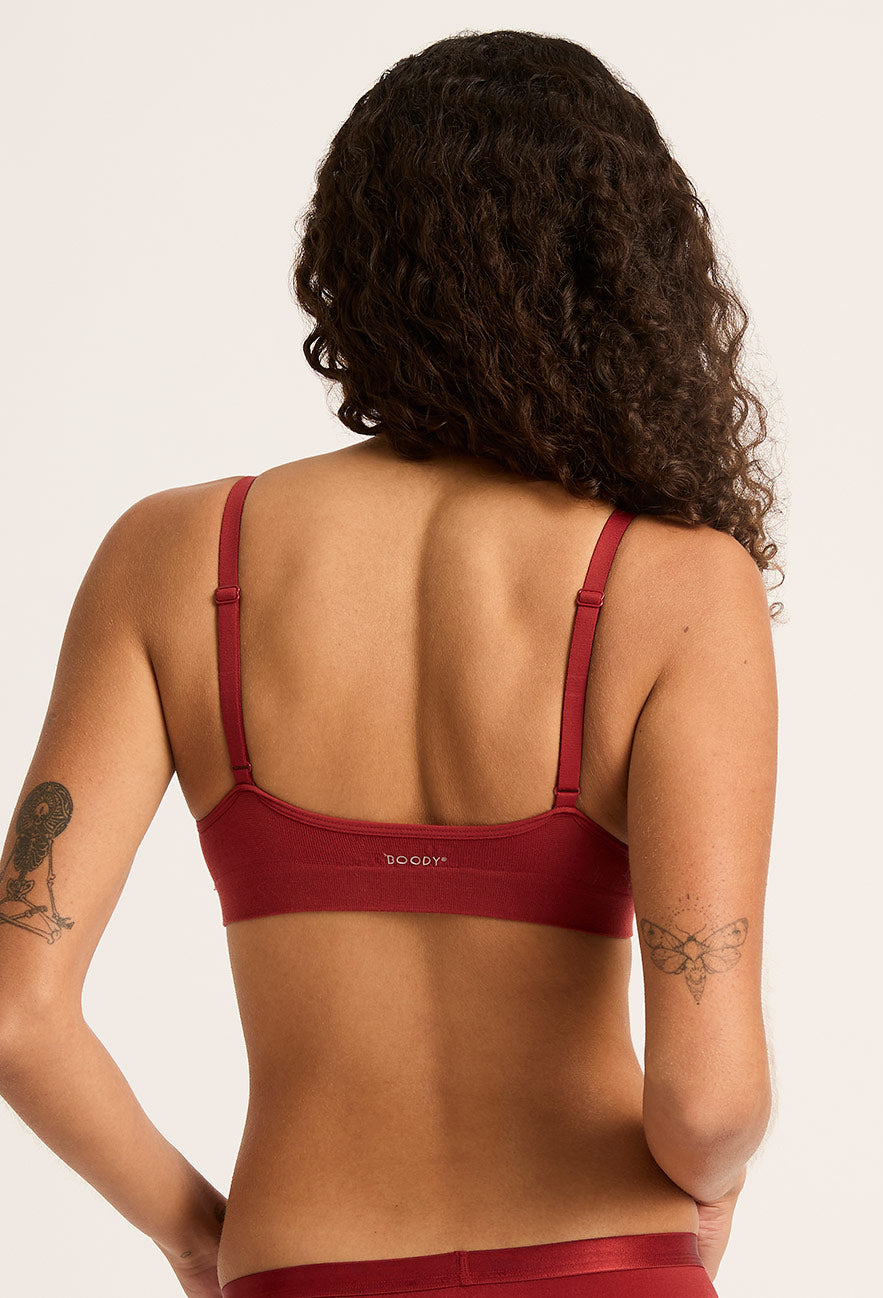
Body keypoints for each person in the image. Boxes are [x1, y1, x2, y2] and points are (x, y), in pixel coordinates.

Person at [0, 28, 781, 1298]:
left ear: (353, 267)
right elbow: (706, 1098)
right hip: (606, 1262)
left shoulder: (170, 557)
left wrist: (198, 1235)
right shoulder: (677, 586)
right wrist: (719, 1177)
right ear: (625, 281)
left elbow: (17, 1011)